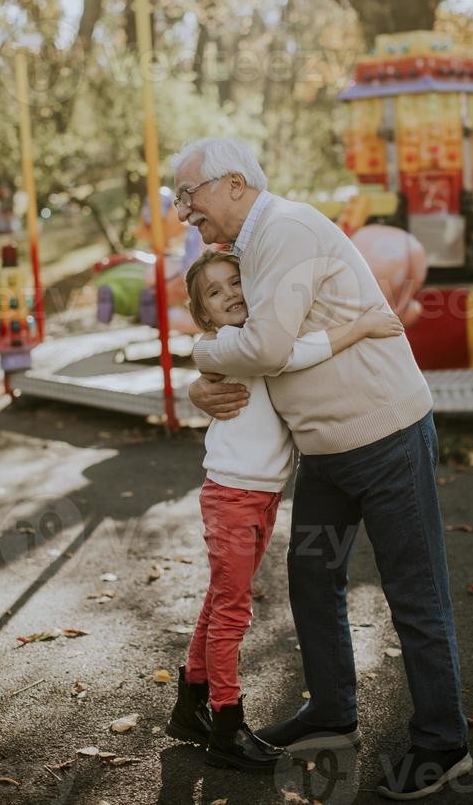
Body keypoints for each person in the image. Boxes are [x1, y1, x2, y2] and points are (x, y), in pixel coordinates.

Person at [170, 137, 473, 800]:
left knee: (414, 592)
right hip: (328, 456)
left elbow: (269, 348)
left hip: (386, 440)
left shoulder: (286, 229)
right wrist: (204, 376)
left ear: (232, 184)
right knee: (313, 578)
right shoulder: (249, 249)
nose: (183, 213)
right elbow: (244, 344)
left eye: (187, 197)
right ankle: (334, 713)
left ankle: (443, 743)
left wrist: (206, 355)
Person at [166, 248, 403, 774]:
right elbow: (293, 356)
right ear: (204, 313)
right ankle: (227, 725)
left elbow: (287, 350)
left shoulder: (249, 339)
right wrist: (362, 325)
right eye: (214, 291)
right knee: (232, 612)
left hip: (260, 494)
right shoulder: (233, 345)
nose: (229, 293)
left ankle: (190, 704)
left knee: (219, 600)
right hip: (232, 495)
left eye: (235, 282)